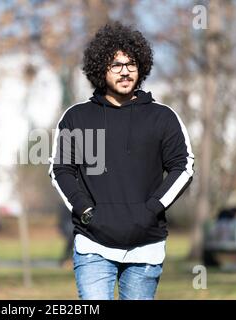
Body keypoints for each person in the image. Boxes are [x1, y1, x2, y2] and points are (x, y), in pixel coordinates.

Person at [48, 22, 195, 300]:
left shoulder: (162, 117)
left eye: (131, 63)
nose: (125, 70)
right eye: (115, 64)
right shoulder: (77, 117)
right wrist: (86, 211)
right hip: (93, 244)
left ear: (141, 67)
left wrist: (151, 209)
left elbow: (183, 166)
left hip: (146, 246)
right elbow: (61, 169)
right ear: (100, 68)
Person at [58, 202, 75, 267]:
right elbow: (61, 218)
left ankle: (65, 260)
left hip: (71, 227)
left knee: (70, 245)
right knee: (70, 244)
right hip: (70, 227)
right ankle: (64, 261)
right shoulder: (65, 206)